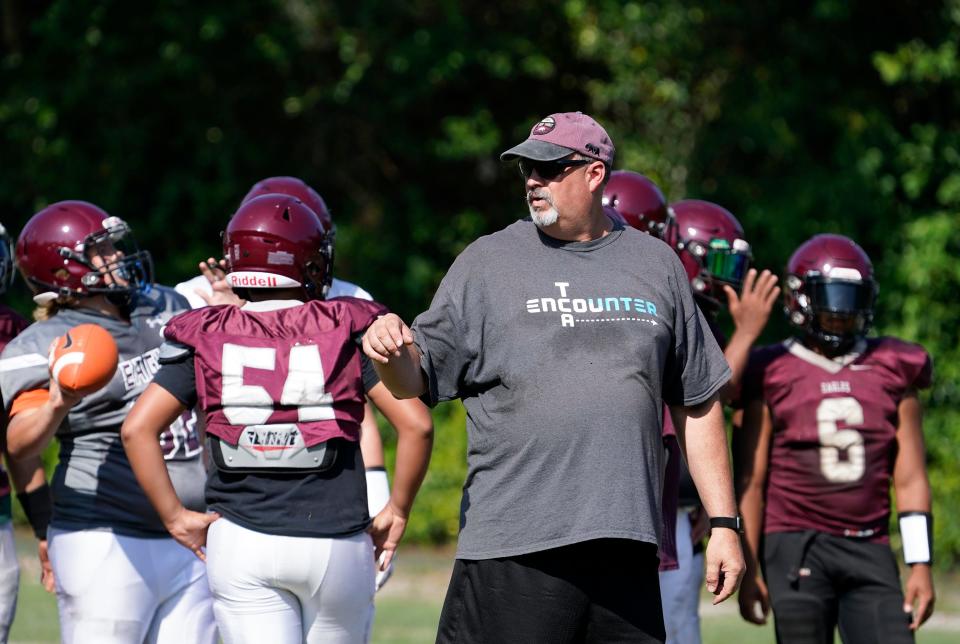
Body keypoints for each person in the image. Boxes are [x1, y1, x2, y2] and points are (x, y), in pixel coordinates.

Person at [363, 111, 745, 643]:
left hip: (624, 548)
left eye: (549, 169)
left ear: (594, 174)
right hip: (512, 548)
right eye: (526, 171)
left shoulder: (656, 265)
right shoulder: (488, 262)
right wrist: (387, 352)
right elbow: (414, 380)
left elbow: (698, 402)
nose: (533, 182)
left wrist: (725, 524)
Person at [121, 194, 433, 644]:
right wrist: (398, 509)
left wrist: (175, 517)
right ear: (305, 260)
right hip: (336, 542)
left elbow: (137, 429)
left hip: (242, 539)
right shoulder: (346, 324)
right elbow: (417, 425)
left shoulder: (205, 331)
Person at [174, 175, 418, 588]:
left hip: (279, 498)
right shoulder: (198, 297)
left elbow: (363, 416)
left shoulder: (345, 299)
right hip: (232, 487)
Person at [0, 202, 215, 644]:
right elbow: (20, 445)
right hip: (105, 534)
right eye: (100, 251)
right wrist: (58, 401)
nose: (116, 257)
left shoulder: (167, 304)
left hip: (192, 533)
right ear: (63, 271)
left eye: (113, 247)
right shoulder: (45, 342)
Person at [736, 234, 935, 643]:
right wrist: (750, 564)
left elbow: (911, 479)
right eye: (831, 301)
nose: (841, 314)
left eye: (851, 301)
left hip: (869, 544)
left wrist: (920, 563)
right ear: (800, 300)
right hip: (794, 544)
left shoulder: (894, 366)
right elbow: (751, 482)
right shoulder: (772, 369)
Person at [658, 199, 781, 644]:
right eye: (720, 260)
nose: (728, 274)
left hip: (683, 509)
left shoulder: (703, 319)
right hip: (655, 508)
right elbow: (706, 392)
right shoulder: (667, 313)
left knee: (681, 625)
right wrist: (748, 333)